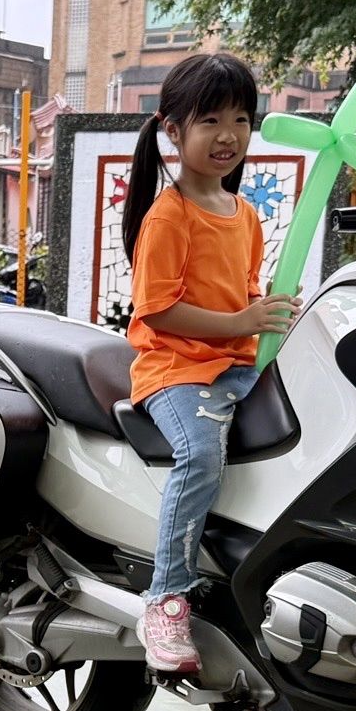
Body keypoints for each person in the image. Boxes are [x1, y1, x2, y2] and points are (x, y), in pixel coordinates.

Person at [121, 52, 297, 675]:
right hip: (176, 369)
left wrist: (270, 312)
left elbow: (244, 290)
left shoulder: (243, 213)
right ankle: (166, 598)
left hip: (236, 362)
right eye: (211, 120)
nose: (229, 136)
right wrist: (239, 323)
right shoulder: (168, 215)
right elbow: (159, 312)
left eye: (242, 119)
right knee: (201, 454)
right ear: (173, 129)